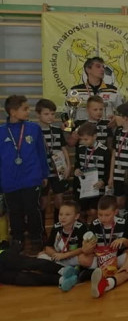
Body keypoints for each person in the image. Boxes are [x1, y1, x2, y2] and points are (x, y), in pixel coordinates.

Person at [0, 95, 49, 254]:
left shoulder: (34, 129)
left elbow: (41, 153)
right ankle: (18, 239)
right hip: (9, 180)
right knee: (14, 211)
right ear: (13, 112)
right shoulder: (1, 132)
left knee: (32, 209)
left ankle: (36, 238)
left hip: (31, 177)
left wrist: (44, 174)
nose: (29, 111)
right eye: (25, 108)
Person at [35, 98, 71, 229]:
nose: (50, 116)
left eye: (52, 113)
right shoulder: (34, 131)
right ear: (38, 114)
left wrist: (68, 166)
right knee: (43, 201)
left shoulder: (56, 130)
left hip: (58, 169)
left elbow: (64, 149)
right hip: (43, 172)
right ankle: (41, 231)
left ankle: (58, 229)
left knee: (59, 200)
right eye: (46, 114)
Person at [79, 195, 128, 276]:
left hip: (117, 257)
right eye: (100, 215)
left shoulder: (123, 223)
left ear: (115, 212)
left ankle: (98, 271)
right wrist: (86, 248)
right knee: (82, 258)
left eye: (107, 215)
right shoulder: (94, 224)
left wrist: (124, 240)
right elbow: (86, 248)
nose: (103, 218)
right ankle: (105, 269)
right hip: (100, 258)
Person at [73, 122, 111, 224]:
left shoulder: (104, 151)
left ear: (95, 136)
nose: (83, 142)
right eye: (81, 139)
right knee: (80, 212)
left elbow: (108, 170)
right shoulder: (80, 149)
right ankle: (84, 229)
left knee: (93, 212)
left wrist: (103, 181)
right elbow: (77, 164)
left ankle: (92, 228)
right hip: (82, 187)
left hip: (97, 188)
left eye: (86, 139)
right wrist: (76, 171)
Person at [0, 243, 78, 290]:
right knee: (22, 279)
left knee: (29, 263)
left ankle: (62, 270)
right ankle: (60, 280)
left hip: (2, 256)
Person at [40, 200, 88, 266]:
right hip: (59, 256)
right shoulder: (56, 227)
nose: (63, 217)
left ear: (76, 216)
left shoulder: (81, 228)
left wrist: (65, 255)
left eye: (67, 214)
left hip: (72, 256)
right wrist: (56, 255)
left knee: (85, 259)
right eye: (60, 214)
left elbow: (83, 249)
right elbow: (48, 247)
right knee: (41, 255)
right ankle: (61, 267)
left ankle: (60, 267)